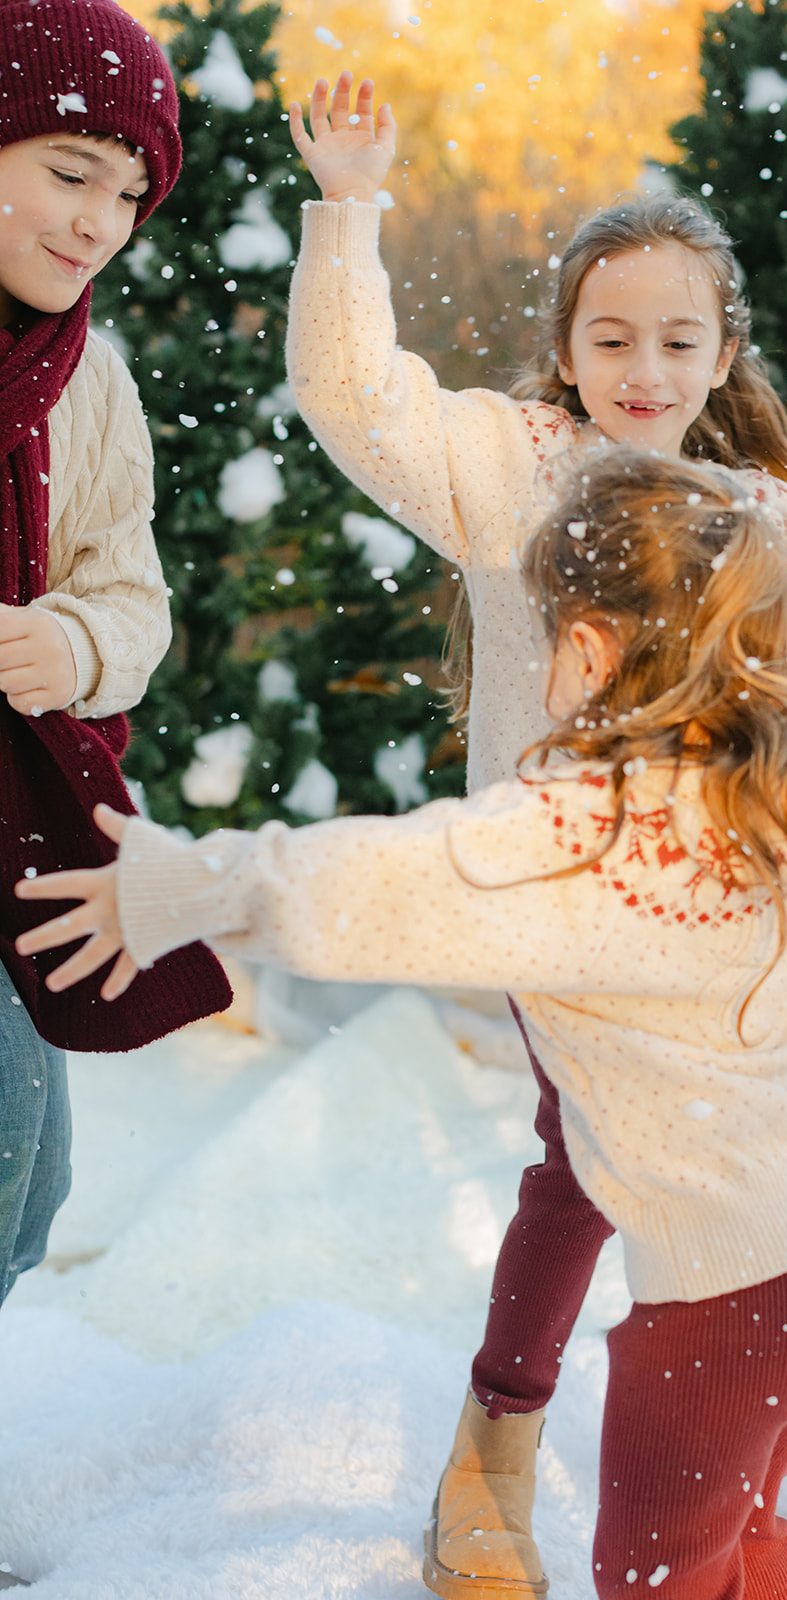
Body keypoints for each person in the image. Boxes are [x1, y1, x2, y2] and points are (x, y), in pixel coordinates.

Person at [282, 71, 787, 1598]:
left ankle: (715, 1480)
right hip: (569, 895)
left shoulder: (757, 512)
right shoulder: (512, 464)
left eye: (674, 340)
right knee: (586, 1161)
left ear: (721, 352)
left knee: (704, 1171)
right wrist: (350, 210)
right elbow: (354, 397)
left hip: (713, 909)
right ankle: (499, 1443)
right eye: (610, 338)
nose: (642, 369)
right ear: (566, 346)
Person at [19, 445, 787, 1599]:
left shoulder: (590, 836)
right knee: (742, 1529)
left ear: (588, 652)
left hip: (719, 1309)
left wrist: (181, 884)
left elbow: (378, 879)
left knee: (657, 1579)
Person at [0, 0, 231, 1507]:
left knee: (29, 1184)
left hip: (15, 826)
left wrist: (72, 646)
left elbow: (133, 598)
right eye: (70, 170)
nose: (100, 222)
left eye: (130, 193)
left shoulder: (88, 378)